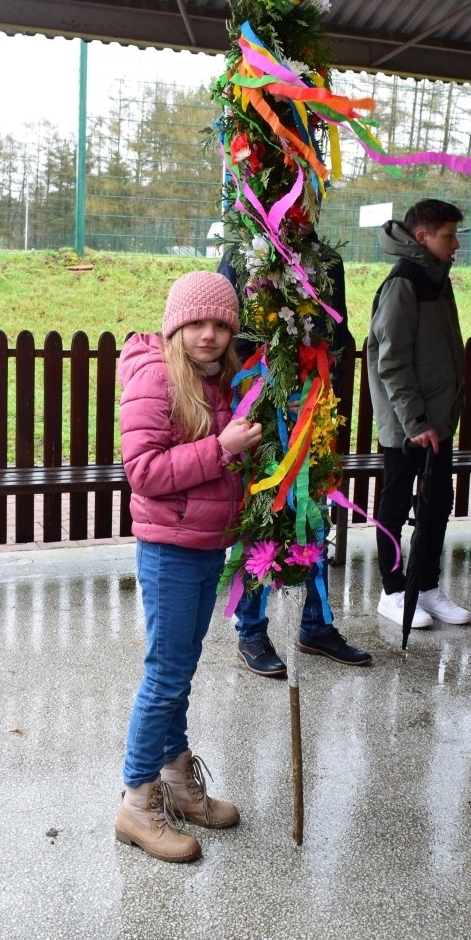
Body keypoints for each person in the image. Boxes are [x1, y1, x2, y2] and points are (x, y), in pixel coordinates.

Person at [114, 271, 262, 862]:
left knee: (181, 669)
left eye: (221, 324)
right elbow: (143, 470)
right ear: (176, 325)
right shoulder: (156, 377)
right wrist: (222, 448)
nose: (209, 335)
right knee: (165, 675)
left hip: (207, 544)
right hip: (170, 548)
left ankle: (175, 779)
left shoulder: (220, 378)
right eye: (197, 323)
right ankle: (135, 802)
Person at [218, 228, 373, 675]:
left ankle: (316, 626)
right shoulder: (243, 253)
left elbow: (337, 333)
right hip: (258, 408)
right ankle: (251, 630)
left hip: (313, 408)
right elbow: (229, 331)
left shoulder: (326, 257)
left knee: (313, 512)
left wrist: (322, 401)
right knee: (264, 515)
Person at [367, 199, 471, 630]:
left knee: (436, 504)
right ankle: (392, 591)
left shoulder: (437, 278)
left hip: (437, 421)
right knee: (395, 505)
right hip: (407, 426)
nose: (456, 244)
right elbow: (392, 361)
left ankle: (426, 584)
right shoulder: (404, 282)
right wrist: (416, 423)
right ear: (423, 238)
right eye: (449, 236)